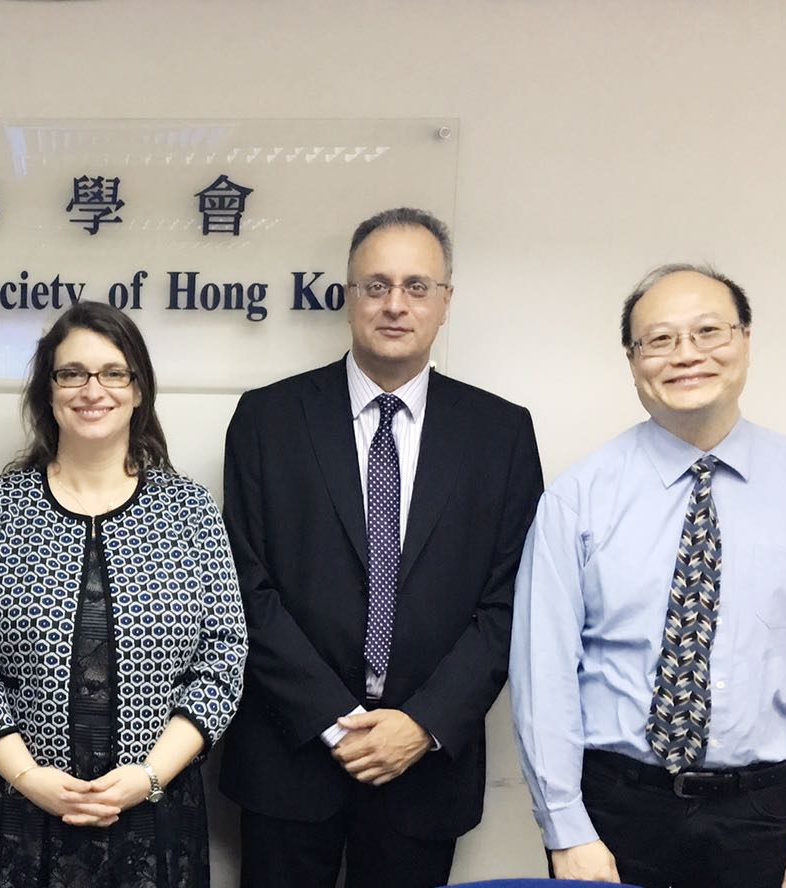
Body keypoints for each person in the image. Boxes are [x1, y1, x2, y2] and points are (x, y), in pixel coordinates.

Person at [511, 263, 786, 888]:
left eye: (709, 331)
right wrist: (565, 829)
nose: (686, 354)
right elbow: (543, 675)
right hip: (616, 812)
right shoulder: (579, 497)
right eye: (660, 339)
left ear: (745, 340)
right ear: (632, 361)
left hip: (764, 815)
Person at [218, 207, 545, 888]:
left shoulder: (501, 433)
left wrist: (422, 723)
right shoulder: (268, 419)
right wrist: (333, 720)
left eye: (417, 287)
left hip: (423, 769)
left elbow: (511, 599)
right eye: (377, 285)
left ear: (445, 302)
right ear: (348, 295)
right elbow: (244, 586)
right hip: (289, 755)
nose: (396, 304)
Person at [0, 301, 247, 888]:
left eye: (113, 373)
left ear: (138, 389)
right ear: (49, 391)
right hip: (14, 812)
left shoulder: (190, 511)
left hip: (152, 812)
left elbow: (224, 657)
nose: (92, 390)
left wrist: (149, 776)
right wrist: (28, 776)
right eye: (72, 373)